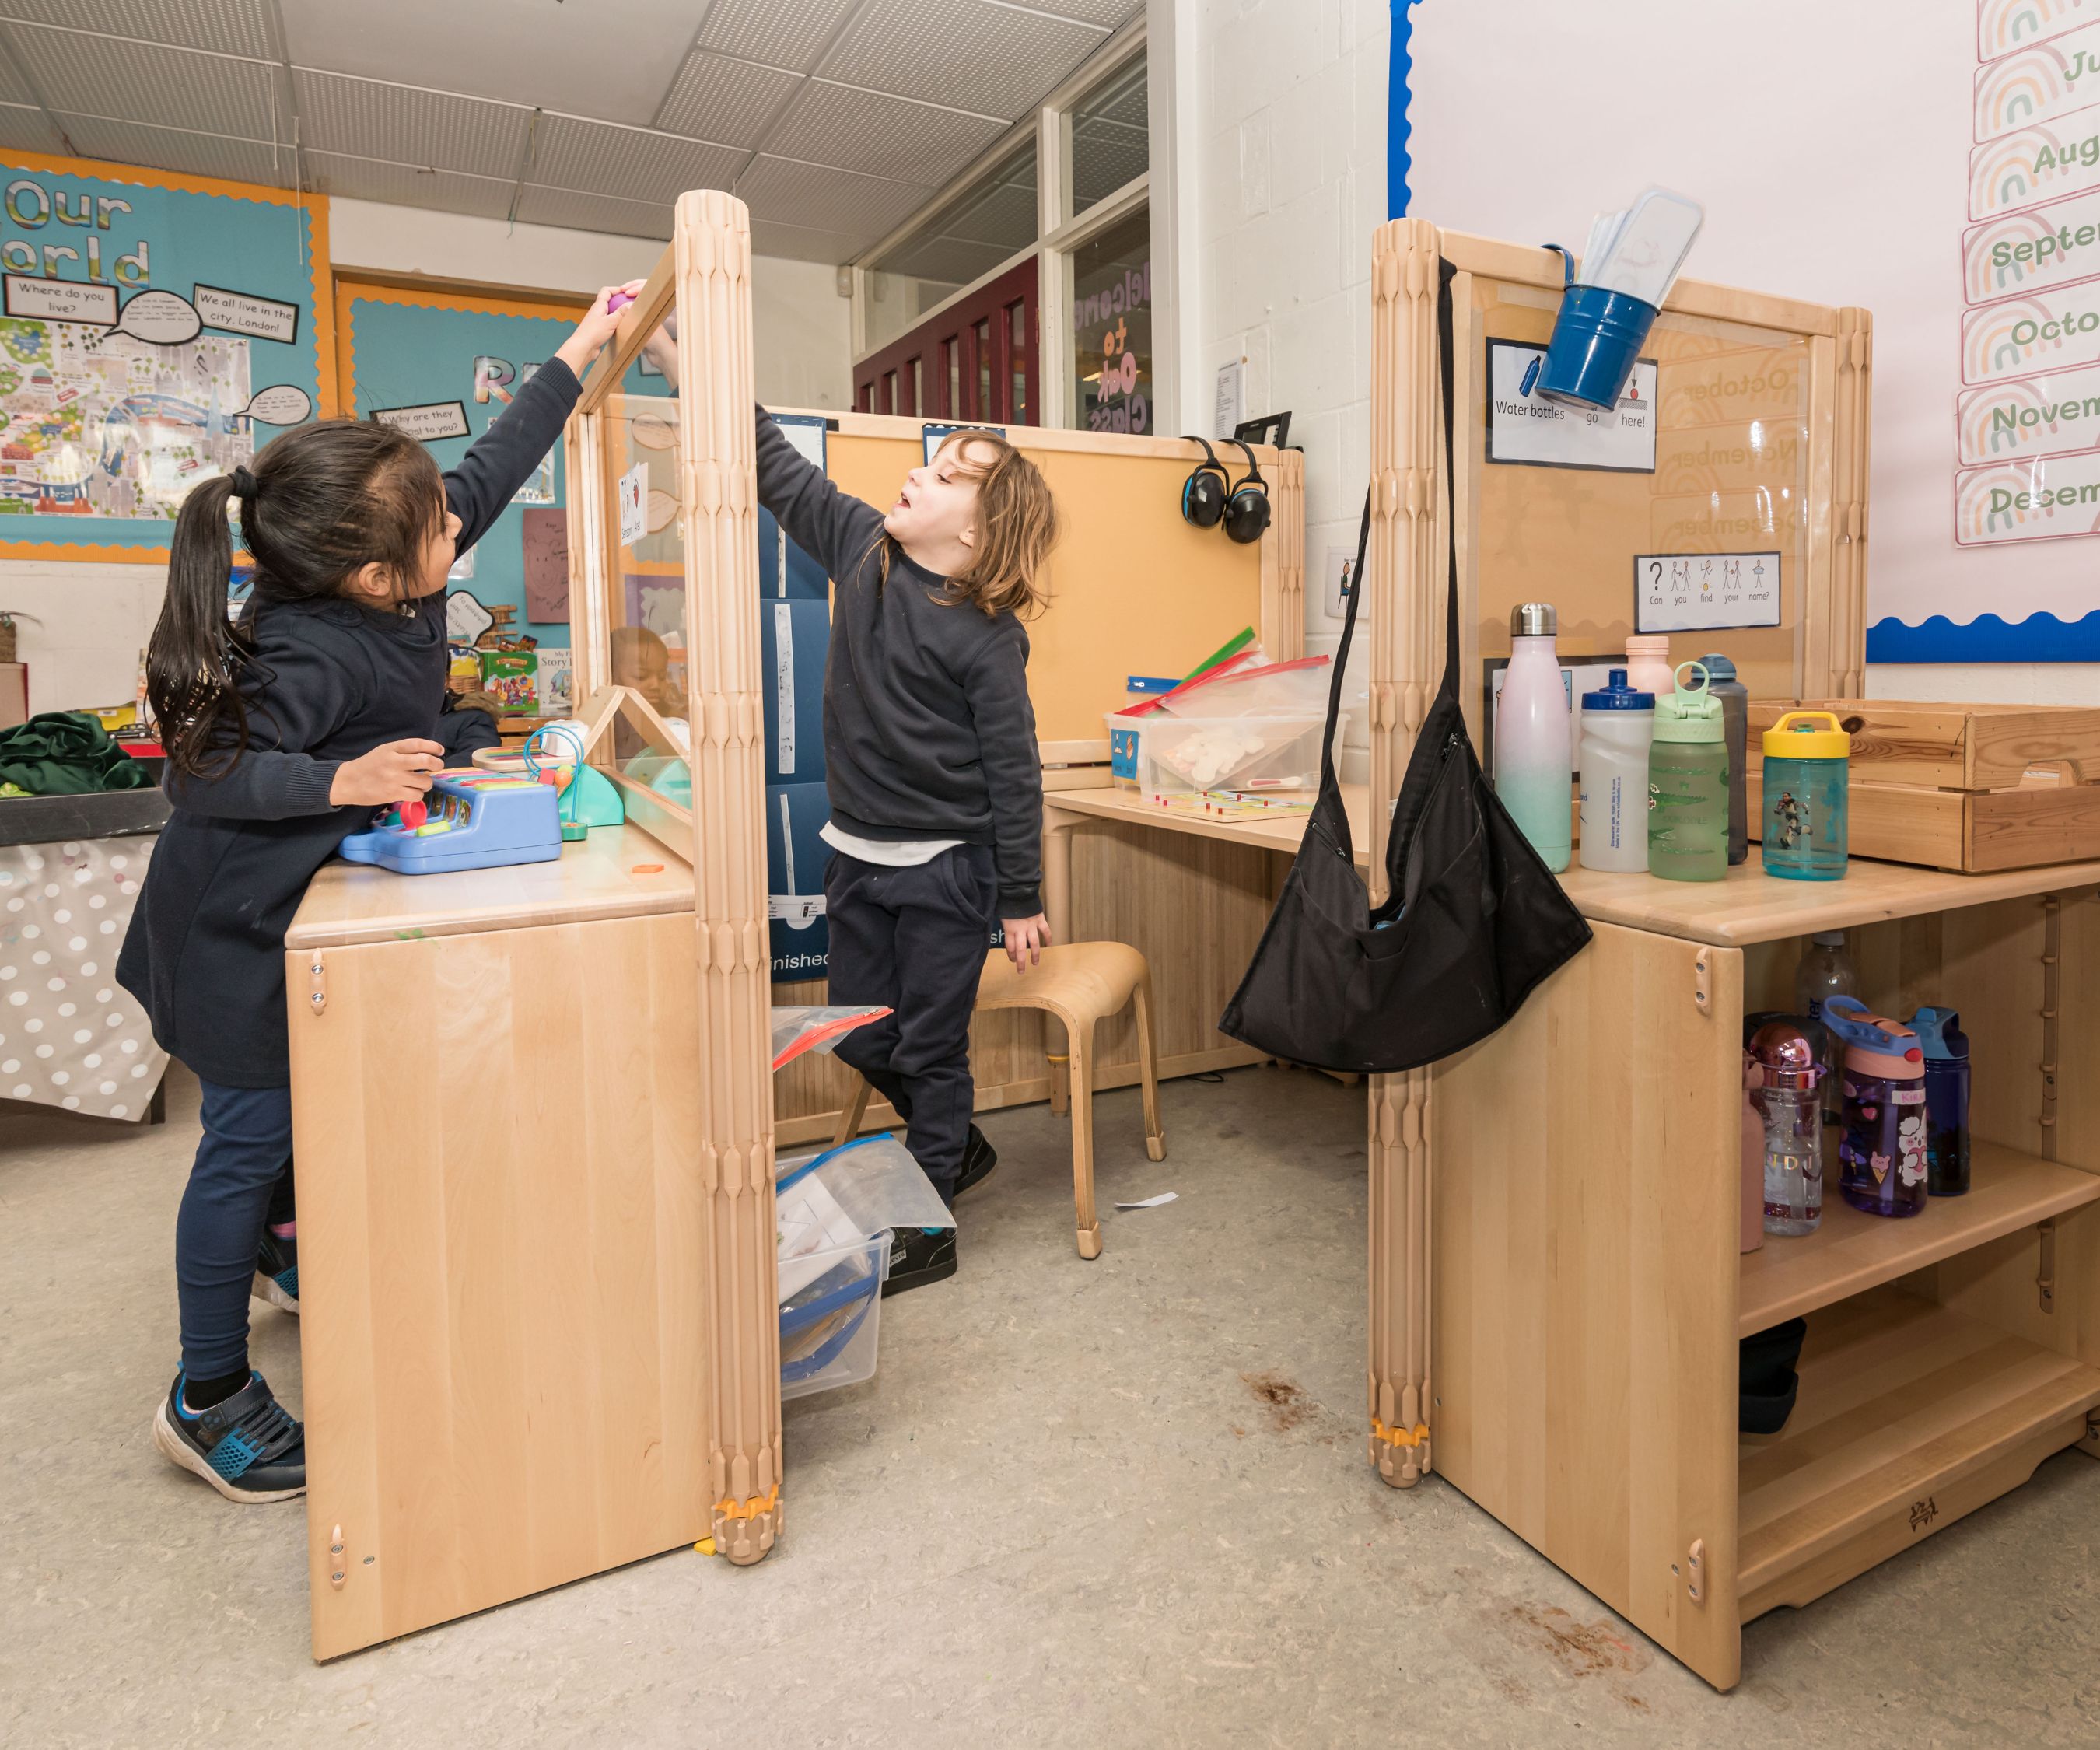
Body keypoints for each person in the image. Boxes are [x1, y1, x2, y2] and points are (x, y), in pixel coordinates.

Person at [120, 282, 643, 1503]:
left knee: (291, 1126)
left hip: (277, 908)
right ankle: (207, 1395)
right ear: (372, 574)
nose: (456, 525)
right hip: (231, 932)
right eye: (437, 528)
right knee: (245, 1143)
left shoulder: (382, 560)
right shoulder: (305, 648)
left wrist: (582, 345)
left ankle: (274, 1251)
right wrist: (341, 773)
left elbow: (492, 470)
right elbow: (206, 777)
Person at [756, 410, 1058, 1295]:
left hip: (947, 871)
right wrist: (688, 358)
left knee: (931, 1051)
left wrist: (1019, 896)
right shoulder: (860, 549)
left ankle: (929, 1223)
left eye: (949, 474)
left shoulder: (989, 637)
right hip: (854, 855)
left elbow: (1015, 773)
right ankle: (952, 1141)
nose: (920, 475)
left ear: (976, 527)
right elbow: (777, 469)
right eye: (929, 463)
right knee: (857, 1035)